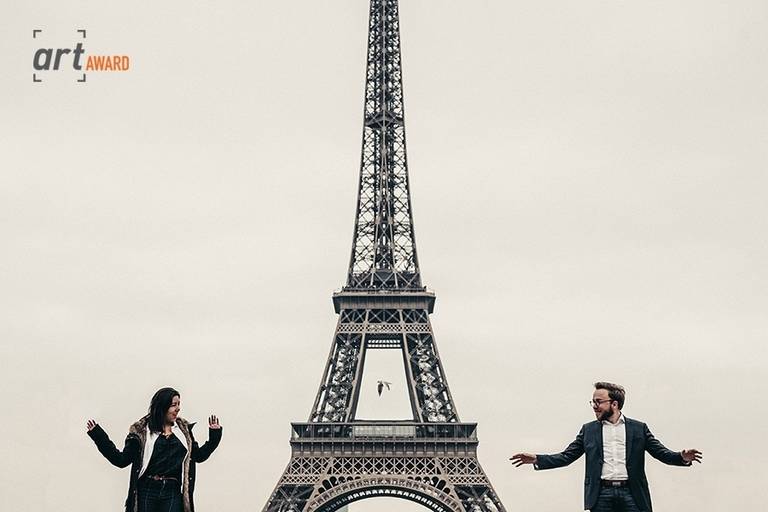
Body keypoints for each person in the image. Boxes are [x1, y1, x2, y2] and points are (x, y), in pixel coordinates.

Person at [510, 381, 702, 512]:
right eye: (592, 402)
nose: (594, 406)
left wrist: (681, 457)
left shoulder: (638, 429)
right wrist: (537, 459)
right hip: (601, 494)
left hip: (632, 494)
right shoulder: (588, 430)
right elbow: (566, 456)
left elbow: (661, 453)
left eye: (598, 402)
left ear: (615, 404)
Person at [86, 387, 222, 512]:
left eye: (179, 404)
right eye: (173, 405)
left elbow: (199, 456)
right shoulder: (142, 432)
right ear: (162, 407)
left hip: (172, 491)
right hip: (147, 490)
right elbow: (120, 460)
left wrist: (214, 435)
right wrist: (98, 435)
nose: (178, 408)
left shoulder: (183, 432)